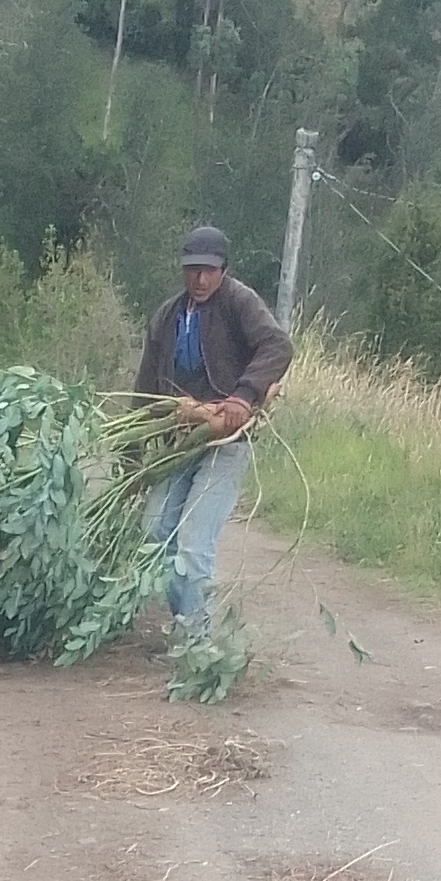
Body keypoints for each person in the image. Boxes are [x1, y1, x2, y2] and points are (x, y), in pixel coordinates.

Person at [132, 224, 292, 637]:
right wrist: (132, 456)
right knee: (155, 533)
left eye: (209, 271)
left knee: (193, 545)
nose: (200, 279)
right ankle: (187, 624)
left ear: (223, 269)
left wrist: (243, 395)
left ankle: (196, 643)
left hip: (226, 439)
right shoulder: (167, 317)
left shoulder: (240, 302)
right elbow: (146, 387)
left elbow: (278, 346)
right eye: (192, 270)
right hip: (181, 439)